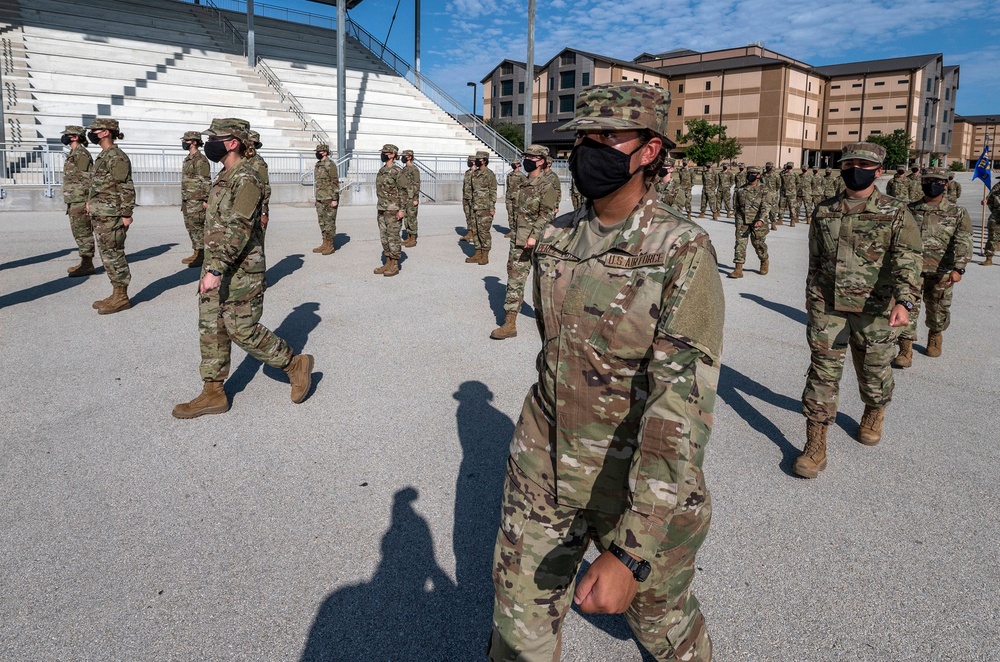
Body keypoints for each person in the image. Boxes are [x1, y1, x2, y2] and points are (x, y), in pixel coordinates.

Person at [489, 82, 724, 662]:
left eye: (609, 137)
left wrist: (633, 552)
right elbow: (557, 356)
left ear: (648, 151)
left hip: (635, 486)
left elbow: (680, 409)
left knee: (660, 625)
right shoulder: (556, 237)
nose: (590, 148)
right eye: (584, 137)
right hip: (544, 466)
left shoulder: (681, 250)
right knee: (517, 628)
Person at [795, 142, 922, 479]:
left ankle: (873, 410)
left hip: (875, 308)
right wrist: (811, 293)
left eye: (863, 164)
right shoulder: (825, 210)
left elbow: (908, 260)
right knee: (822, 373)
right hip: (829, 306)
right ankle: (815, 444)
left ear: (879, 171)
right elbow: (815, 257)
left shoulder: (896, 212)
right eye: (849, 163)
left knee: (874, 372)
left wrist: (905, 301)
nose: (855, 169)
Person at [172, 118, 314, 418]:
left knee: (241, 329)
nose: (209, 142)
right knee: (212, 327)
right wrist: (210, 266)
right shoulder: (224, 175)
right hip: (216, 263)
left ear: (233, 142)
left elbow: (239, 228)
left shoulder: (247, 178)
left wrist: (216, 269)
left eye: (215, 138)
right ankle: (213, 392)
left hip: (240, 269)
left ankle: (294, 364)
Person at [892, 167, 972, 367]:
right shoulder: (909, 209)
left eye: (938, 181)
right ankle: (905, 348)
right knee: (907, 307)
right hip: (912, 271)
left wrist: (959, 267)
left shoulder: (957, 212)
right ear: (921, 182)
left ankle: (935, 334)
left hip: (942, 271)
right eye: (928, 180)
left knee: (938, 310)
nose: (932, 184)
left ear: (946, 184)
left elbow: (964, 240)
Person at [490, 144, 559, 340]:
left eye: (532, 157)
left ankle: (552, 321)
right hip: (519, 240)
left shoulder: (548, 185)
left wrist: (534, 235)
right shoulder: (522, 183)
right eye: (526, 156)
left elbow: (547, 213)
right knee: (514, 278)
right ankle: (509, 322)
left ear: (542, 161)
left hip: (540, 241)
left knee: (544, 281)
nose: (527, 159)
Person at [85, 118, 135, 315]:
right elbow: (100, 185)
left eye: (95, 130)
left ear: (106, 132)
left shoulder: (117, 157)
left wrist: (126, 214)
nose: (92, 133)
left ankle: (121, 296)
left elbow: (125, 186)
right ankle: (116, 292)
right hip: (102, 214)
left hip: (112, 215)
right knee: (107, 255)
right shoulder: (104, 155)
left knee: (114, 254)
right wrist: (91, 202)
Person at [61, 125, 95, 277]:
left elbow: (87, 178)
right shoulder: (73, 153)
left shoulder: (81, 154)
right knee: (78, 232)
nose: (64, 137)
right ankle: (85, 262)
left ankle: (87, 264)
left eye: (67, 135)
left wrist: (88, 201)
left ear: (74, 137)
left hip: (80, 200)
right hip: (74, 199)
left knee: (83, 232)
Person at [729, 165, 771, 278]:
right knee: (740, 243)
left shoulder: (764, 189)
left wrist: (761, 220)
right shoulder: (740, 190)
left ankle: (764, 260)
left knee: (758, 244)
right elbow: (737, 208)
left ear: (758, 175)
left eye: (753, 174)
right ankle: (738, 269)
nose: (750, 176)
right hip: (742, 221)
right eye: (749, 174)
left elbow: (766, 206)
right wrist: (738, 221)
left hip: (758, 222)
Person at [374, 144, 407, 276]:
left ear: (392, 155)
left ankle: (394, 264)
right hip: (382, 208)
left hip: (393, 209)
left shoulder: (398, 171)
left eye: (386, 153)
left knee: (393, 237)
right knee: (384, 237)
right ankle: (387, 261)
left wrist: (402, 210)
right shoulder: (382, 171)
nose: (383, 155)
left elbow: (403, 192)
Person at [180, 130, 211, 268]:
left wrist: (205, 199)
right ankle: (196, 251)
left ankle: (201, 255)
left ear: (194, 142)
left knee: (198, 227)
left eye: (186, 141)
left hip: (197, 199)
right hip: (188, 199)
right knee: (190, 226)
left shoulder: (201, 160)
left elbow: (205, 180)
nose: (184, 143)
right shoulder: (188, 159)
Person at [467, 150, 497, 265]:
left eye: (478, 160)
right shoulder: (474, 174)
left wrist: (492, 208)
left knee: (484, 231)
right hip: (474, 206)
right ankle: (477, 252)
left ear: (484, 161)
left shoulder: (489, 174)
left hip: (485, 207)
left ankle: (485, 255)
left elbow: (493, 191)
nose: (476, 162)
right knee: (475, 230)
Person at [312, 143, 340, 255]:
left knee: (329, 222)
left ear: (324, 152)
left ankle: (330, 245)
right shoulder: (318, 165)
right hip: (320, 198)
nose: (317, 153)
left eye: (319, 151)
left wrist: (335, 198)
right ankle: (324, 243)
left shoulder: (330, 165)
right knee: (322, 222)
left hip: (329, 198)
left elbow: (335, 182)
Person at [246, 130, 271, 232]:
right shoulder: (242, 160)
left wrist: (264, 213)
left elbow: (265, 188)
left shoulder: (258, 162)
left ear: (252, 143)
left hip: (255, 209)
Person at [400, 149, 421, 247]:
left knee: (412, 218)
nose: (403, 157)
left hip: (411, 197)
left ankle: (413, 239)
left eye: (405, 156)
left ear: (410, 157)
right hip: (404, 197)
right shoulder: (404, 169)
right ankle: (408, 237)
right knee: (406, 218)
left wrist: (416, 198)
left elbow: (417, 184)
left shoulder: (414, 169)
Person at [504, 159, 527, 238]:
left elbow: (525, 187)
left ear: (518, 165)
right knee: (510, 214)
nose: (513, 165)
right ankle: (512, 230)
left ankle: (518, 231)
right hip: (509, 197)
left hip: (517, 198)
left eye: (514, 164)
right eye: (512, 163)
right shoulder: (509, 175)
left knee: (517, 214)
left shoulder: (522, 176)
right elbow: (508, 186)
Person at [980, 181, 1000, 265]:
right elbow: (989, 200)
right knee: (992, 236)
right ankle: (988, 258)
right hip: (997, 215)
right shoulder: (997, 187)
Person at [761, 161, 780, 230]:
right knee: (764, 209)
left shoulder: (776, 175)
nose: (768, 168)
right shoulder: (762, 175)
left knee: (773, 210)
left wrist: (773, 191)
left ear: (772, 167)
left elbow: (779, 185)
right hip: (764, 195)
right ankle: (764, 224)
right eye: (767, 167)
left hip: (773, 195)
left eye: (770, 167)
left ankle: (773, 224)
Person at [779, 162, 799, 226]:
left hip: (791, 193)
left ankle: (792, 220)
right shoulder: (782, 174)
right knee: (782, 207)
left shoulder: (795, 175)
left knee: (791, 207)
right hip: (784, 193)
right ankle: (781, 220)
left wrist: (795, 190)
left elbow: (798, 183)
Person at [461, 154, 476, 242]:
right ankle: (469, 232)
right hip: (466, 197)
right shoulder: (467, 173)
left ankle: (474, 234)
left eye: (470, 161)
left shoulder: (477, 173)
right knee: (468, 216)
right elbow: (464, 185)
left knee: (473, 216)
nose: (468, 163)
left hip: (473, 198)